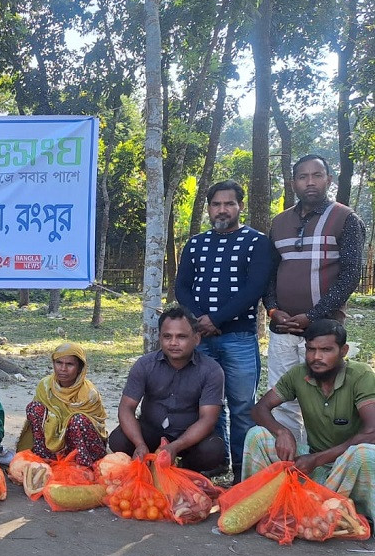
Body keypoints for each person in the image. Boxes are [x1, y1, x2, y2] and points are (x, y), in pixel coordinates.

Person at [264, 154, 366, 444]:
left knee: (326, 398)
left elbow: (349, 275)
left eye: (317, 175)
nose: (310, 182)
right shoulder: (280, 222)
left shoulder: (346, 219)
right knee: (283, 399)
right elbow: (270, 273)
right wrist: (273, 310)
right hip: (283, 328)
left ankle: (322, 465)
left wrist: (314, 315)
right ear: (293, 182)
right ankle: (289, 469)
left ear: (328, 179)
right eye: (303, 176)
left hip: (324, 330)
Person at [175, 180, 272, 480]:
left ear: (240, 206)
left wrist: (216, 319)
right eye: (216, 204)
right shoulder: (195, 244)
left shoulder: (257, 242)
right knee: (209, 405)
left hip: (239, 338)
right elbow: (182, 287)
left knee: (243, 406)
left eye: (229, 203)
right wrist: (200, 318)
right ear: (208, 208)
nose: (222, 209)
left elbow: (254, 288)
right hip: (201, 339)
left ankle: (244, 473)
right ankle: (216, 464)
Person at [246, 320, 374, 520]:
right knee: (257, 436)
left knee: (364, 453)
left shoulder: (361, 375)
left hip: (348, 468)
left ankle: (360, 516)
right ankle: (260, 509)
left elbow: (372, 432)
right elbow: (259, 408)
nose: (316, 357)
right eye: (311, 349)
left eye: (326, 350)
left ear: (344, 350)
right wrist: (282, 432)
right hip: (313, 468)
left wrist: (317, 459)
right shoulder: (299, 374)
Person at [108, 307, 227, 473]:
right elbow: (126, 408)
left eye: (181, 337)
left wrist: (175, 446)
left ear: (196, 339)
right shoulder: (144, 365)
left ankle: (184, 472)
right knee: (118, 439)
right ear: (160, 338)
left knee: (213, 450)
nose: (173, 343)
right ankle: (146, 465)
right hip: (150, 432)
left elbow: (208, 419)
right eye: (167, 336)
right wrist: (140, 444)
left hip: (187, 437)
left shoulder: (211, 370)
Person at [15, 342, 107, 467]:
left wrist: (69, 424)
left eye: (69, 364)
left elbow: (97, 428)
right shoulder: (45, 385)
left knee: (78, 420)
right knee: (34, 408)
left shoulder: (89, 394)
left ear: (80, 368)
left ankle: (82, 464)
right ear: (53, 364)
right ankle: (46, 458)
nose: (63, 369)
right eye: (59, 363)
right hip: (52, 443)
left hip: (82, 446)